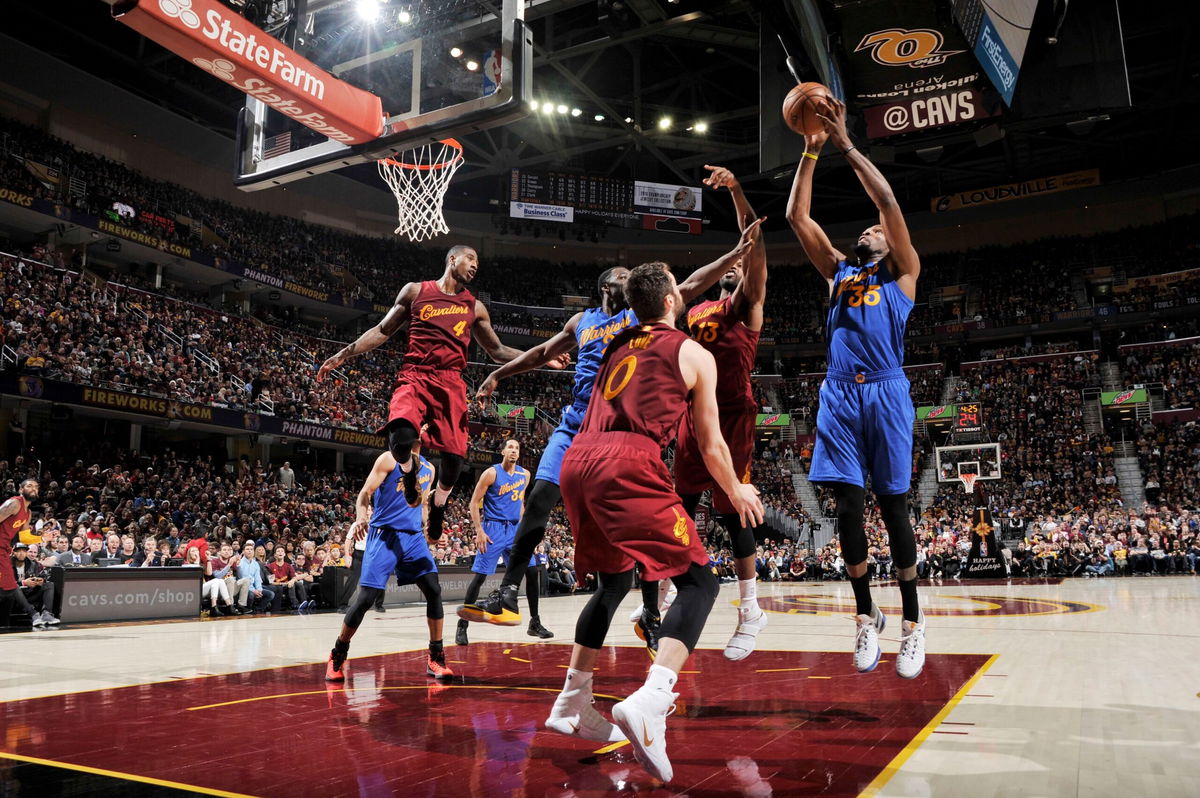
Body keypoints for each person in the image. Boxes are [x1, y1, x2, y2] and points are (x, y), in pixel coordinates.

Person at [459, 221, 764, 630]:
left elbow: (687, 285)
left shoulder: (639, 318)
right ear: (607, 285)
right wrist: (500, 375)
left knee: (640, 526)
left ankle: (652, 611)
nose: (632, 279)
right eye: (624, 275)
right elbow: (540, 353)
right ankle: (508, 594)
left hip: (621, 428)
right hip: (576, 426)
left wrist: (732, 257)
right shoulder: (580, 322)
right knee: (538, 500)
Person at [544, 262, 765, 784]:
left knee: (615, 581)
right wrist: (735, 488)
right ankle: (653, 697)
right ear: (671, 300)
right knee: (699, 581)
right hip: (628, 461)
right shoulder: (693, 352)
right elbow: (711, 445)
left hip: (579, 460)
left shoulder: (618, 340)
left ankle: (572, 700)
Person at [786, 98, 925, 678]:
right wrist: (811, 149)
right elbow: (798, 217)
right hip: (840, 393)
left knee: (894, 511)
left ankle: (914, 625)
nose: (868, 230)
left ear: (890, 244)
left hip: (888, 392)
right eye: (863, 229)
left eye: (875, 231)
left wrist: (844, 142)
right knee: (847, 508)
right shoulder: (838, 273)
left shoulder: (906, 275)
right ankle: (866, 615)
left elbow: (887, 201)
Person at [317, 245, 567, 545]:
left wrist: (541, 357)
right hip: (415, 374)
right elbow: (382, 330)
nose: (475, 266)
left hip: (450, 381)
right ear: (453, 259)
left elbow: (497, 350)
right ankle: (409, 475)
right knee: (400, 435)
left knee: (454, 459)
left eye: (478, 262)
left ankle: (438, 504)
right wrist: (343, 354)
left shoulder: (474, 307)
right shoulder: (415, 291)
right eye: (471, 259)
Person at [671, 163, 770, 661]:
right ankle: (671, 593)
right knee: (680, 506)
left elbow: (753, 243)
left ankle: (750, 607)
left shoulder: (747, 304)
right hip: (695, 412)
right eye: (727, 267)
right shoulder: (695, 309)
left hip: (734, 415)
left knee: (733, 515)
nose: (733, 270)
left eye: (738, 267)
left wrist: (736, 191)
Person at [326, 433, 453, 682]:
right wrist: (362, 515)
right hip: (384, 535)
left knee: (433, 589)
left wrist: (431, 529)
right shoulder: (388, 459)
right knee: (365, 599)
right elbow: (365, 493)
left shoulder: (429, 468)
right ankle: (338, 653)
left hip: (414, 537)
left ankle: (435, 657)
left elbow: (424, 507)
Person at [455, 439, 549, 645]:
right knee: (479, 577)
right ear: (503, 451)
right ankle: (462, 626)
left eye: (517, 447)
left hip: (515, 529)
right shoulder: (491, 473)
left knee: (533, 572)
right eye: (511, 447)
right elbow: (473, 502)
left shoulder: (525, 475)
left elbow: (520, 503)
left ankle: (535, 622)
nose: (514, 450)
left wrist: (526, 530)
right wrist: (479, 530)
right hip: (493, 528)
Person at [0, 479, 41, 624]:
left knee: (8, 588)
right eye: (29, 486)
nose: (33, 489)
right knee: (9, 586)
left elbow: (25, 537)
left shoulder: (28, 513)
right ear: (21, 490)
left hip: (4, 549)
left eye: (36, 487)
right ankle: (33, 615)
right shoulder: (14, 503)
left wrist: (42, 538)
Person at [12, 542, 59, 626]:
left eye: (24, 551)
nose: (21, 553)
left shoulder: (33, 564)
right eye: (18, 551)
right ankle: (34, 614)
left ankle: (47, 614)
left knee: (49, 584)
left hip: (29, 594)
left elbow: (43, 576)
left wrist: (41, 580)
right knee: (14, 587)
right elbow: (5, 583)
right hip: (13, 597)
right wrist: (24, 582)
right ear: (13, 552)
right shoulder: (7, 564)